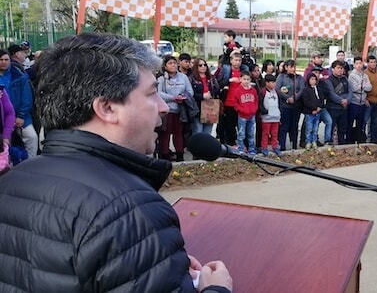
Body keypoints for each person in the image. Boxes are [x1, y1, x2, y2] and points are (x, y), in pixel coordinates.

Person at [0, 33, 232, 292]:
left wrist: (156, 267)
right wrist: (215, 289)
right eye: (152, 94)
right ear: (107, 108)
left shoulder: (12, 181)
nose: (162, 107)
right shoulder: (128, 210)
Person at [2, 47, 38, 158]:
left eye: (6, 59)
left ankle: (31, 163)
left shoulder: (19, 76)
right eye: (1, 60)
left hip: (21, 117)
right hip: (2, 118)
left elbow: (26, 98)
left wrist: (21, 116)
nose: (3, 62)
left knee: (32, 137)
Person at [158, 55, 194, 162]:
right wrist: (172, 98)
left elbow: (190, 91)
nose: (173, 65)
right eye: (170, 63)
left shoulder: (183, 77)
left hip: (180, 110)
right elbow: (158, 93)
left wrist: (182, 97)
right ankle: (165, 155)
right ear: (165, 66)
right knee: (165, 134)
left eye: (174, 63)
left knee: (179, 134)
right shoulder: (161, 79)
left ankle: (180, 155)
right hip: (167, 111)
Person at [276, 59, 304, 150]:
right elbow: (278, 89)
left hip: (296, 106)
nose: (293, 69)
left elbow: (301, 89)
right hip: (285, 105)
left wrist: (295, 98)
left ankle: (294, 146)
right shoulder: (281, 77)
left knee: (294, 126)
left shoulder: (299, 78)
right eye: (291, 67)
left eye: (294, 67)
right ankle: (282, 146)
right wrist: (287, 98)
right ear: (286, 67)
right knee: (284, 126)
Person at [190, 58, 221, 135]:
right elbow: (190, 94)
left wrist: (211, 93)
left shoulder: (212, 78)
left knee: (208, 132)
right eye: (200, 65)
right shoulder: (191, 79)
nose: (203, 67)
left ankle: (206, 147)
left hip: (211, 106)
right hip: (198, 107)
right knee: (198, 131)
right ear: (196, 67)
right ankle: (197, 147)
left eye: (205, 65)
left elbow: (217, 89)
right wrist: (202, 96)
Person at [325, 60, 352, 145]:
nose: (340, 70)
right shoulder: (329, 80)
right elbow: (331, 94)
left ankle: (341, 144)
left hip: (344, 108)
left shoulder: (345, 79)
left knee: (343, 128)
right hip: (333, 108)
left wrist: (347, 100)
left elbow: (350, 91)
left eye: (341, 68)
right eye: (338, 68)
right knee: (332, 128)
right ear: (333, 69)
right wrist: (341, 101)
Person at [233, 71, 259, 155]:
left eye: (248, 79)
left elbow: (256, 101)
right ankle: (241, 149)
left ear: (250, 80)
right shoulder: (237, 90)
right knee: (241, 133)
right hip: (242, 116)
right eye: (244, 79)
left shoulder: (253, 91)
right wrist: (241, 110)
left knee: (251, 133)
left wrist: (254, 109)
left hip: (251, 115)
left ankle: (251, 149)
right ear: (240, 79)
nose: (246, 81)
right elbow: (235, 103)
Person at [348, 56, 372, 143]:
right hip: (354, 102)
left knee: (361, 123)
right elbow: (354, 88)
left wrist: (362, 87)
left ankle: (359, 140)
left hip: (362, 103)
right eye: (357, 63)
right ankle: (349, 140)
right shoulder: (352, 75)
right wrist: (362, 87)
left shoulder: (365, 75)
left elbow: (369, 87)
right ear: (354, 65)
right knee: (350, 123)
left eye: (360, 63)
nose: (359, 65)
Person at [260, 74, 282, 157]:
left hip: (275, 117)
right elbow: (260, 103)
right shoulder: (263, 92)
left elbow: (278, 103)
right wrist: (264, 111)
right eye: (272, 82)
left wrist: (279, 114)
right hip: (266, 117)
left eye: (274, 82)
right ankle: (264, 147)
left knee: (274, 133)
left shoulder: (276, 92)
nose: (274, 84)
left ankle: (275, 146)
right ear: (267, 83)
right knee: (265, 133)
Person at [301, 73, 325, 149]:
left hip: (318, 112)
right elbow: (306, 101)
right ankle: (308, 142)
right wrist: (314, 108)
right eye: (312, 79)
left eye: (315, 79)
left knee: (315, 128)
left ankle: (314, 141)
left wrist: (319, 107)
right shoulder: (306, 90)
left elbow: (321, 99)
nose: (313, 81)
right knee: (309, 128)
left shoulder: (318, 89)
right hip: (310, 112)